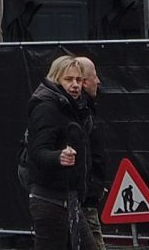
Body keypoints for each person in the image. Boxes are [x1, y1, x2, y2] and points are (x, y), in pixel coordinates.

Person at [20, 54, 92, 250]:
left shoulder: (75, 108)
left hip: (70, 199)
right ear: (56, 80)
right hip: (49, 199)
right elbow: (37, 151)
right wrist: (58, 157)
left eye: (78, 80)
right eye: (68, 79)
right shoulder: (47, 108)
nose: (75, 85)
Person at [75, 58, 107, 250]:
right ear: (85, 82)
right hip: (83, 199)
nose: (99, 81)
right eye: (95, 76)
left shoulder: (86, 110)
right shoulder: (79, 112)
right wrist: (92, 186)